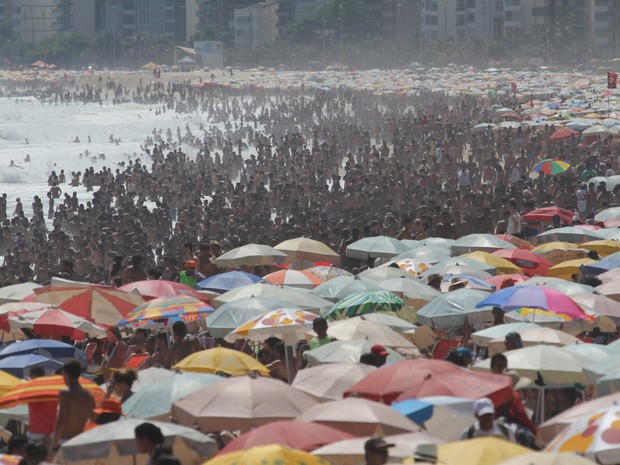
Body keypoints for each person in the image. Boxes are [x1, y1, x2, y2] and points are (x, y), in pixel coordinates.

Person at [49, 360, 95, 459]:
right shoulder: (88, 396)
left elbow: (61, 420)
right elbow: (94, 419)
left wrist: (53, 447)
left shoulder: (65, 393)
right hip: (78, 442)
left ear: (65, 374)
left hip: (63, 442)